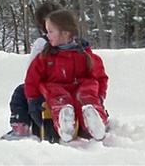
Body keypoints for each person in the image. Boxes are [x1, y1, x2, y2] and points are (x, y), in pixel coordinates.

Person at [24, 9, 109, 142]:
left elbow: (100, 77)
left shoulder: (86, 55)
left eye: (51, 31)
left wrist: (100, 95)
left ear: (65, 33)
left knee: (87, 92)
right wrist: (33, 101)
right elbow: (32, 80)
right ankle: (64, 124)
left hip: (81, 87)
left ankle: (95, 122)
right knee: (59, 97)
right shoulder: (44, 57)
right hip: (57, 87)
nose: (47, 35)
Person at [0, 0, 63, 141]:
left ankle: (21, 127)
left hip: (46, 90)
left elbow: (31, 72)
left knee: (21, 92)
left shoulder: (42, 43)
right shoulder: (72, 41)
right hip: (68, 88)